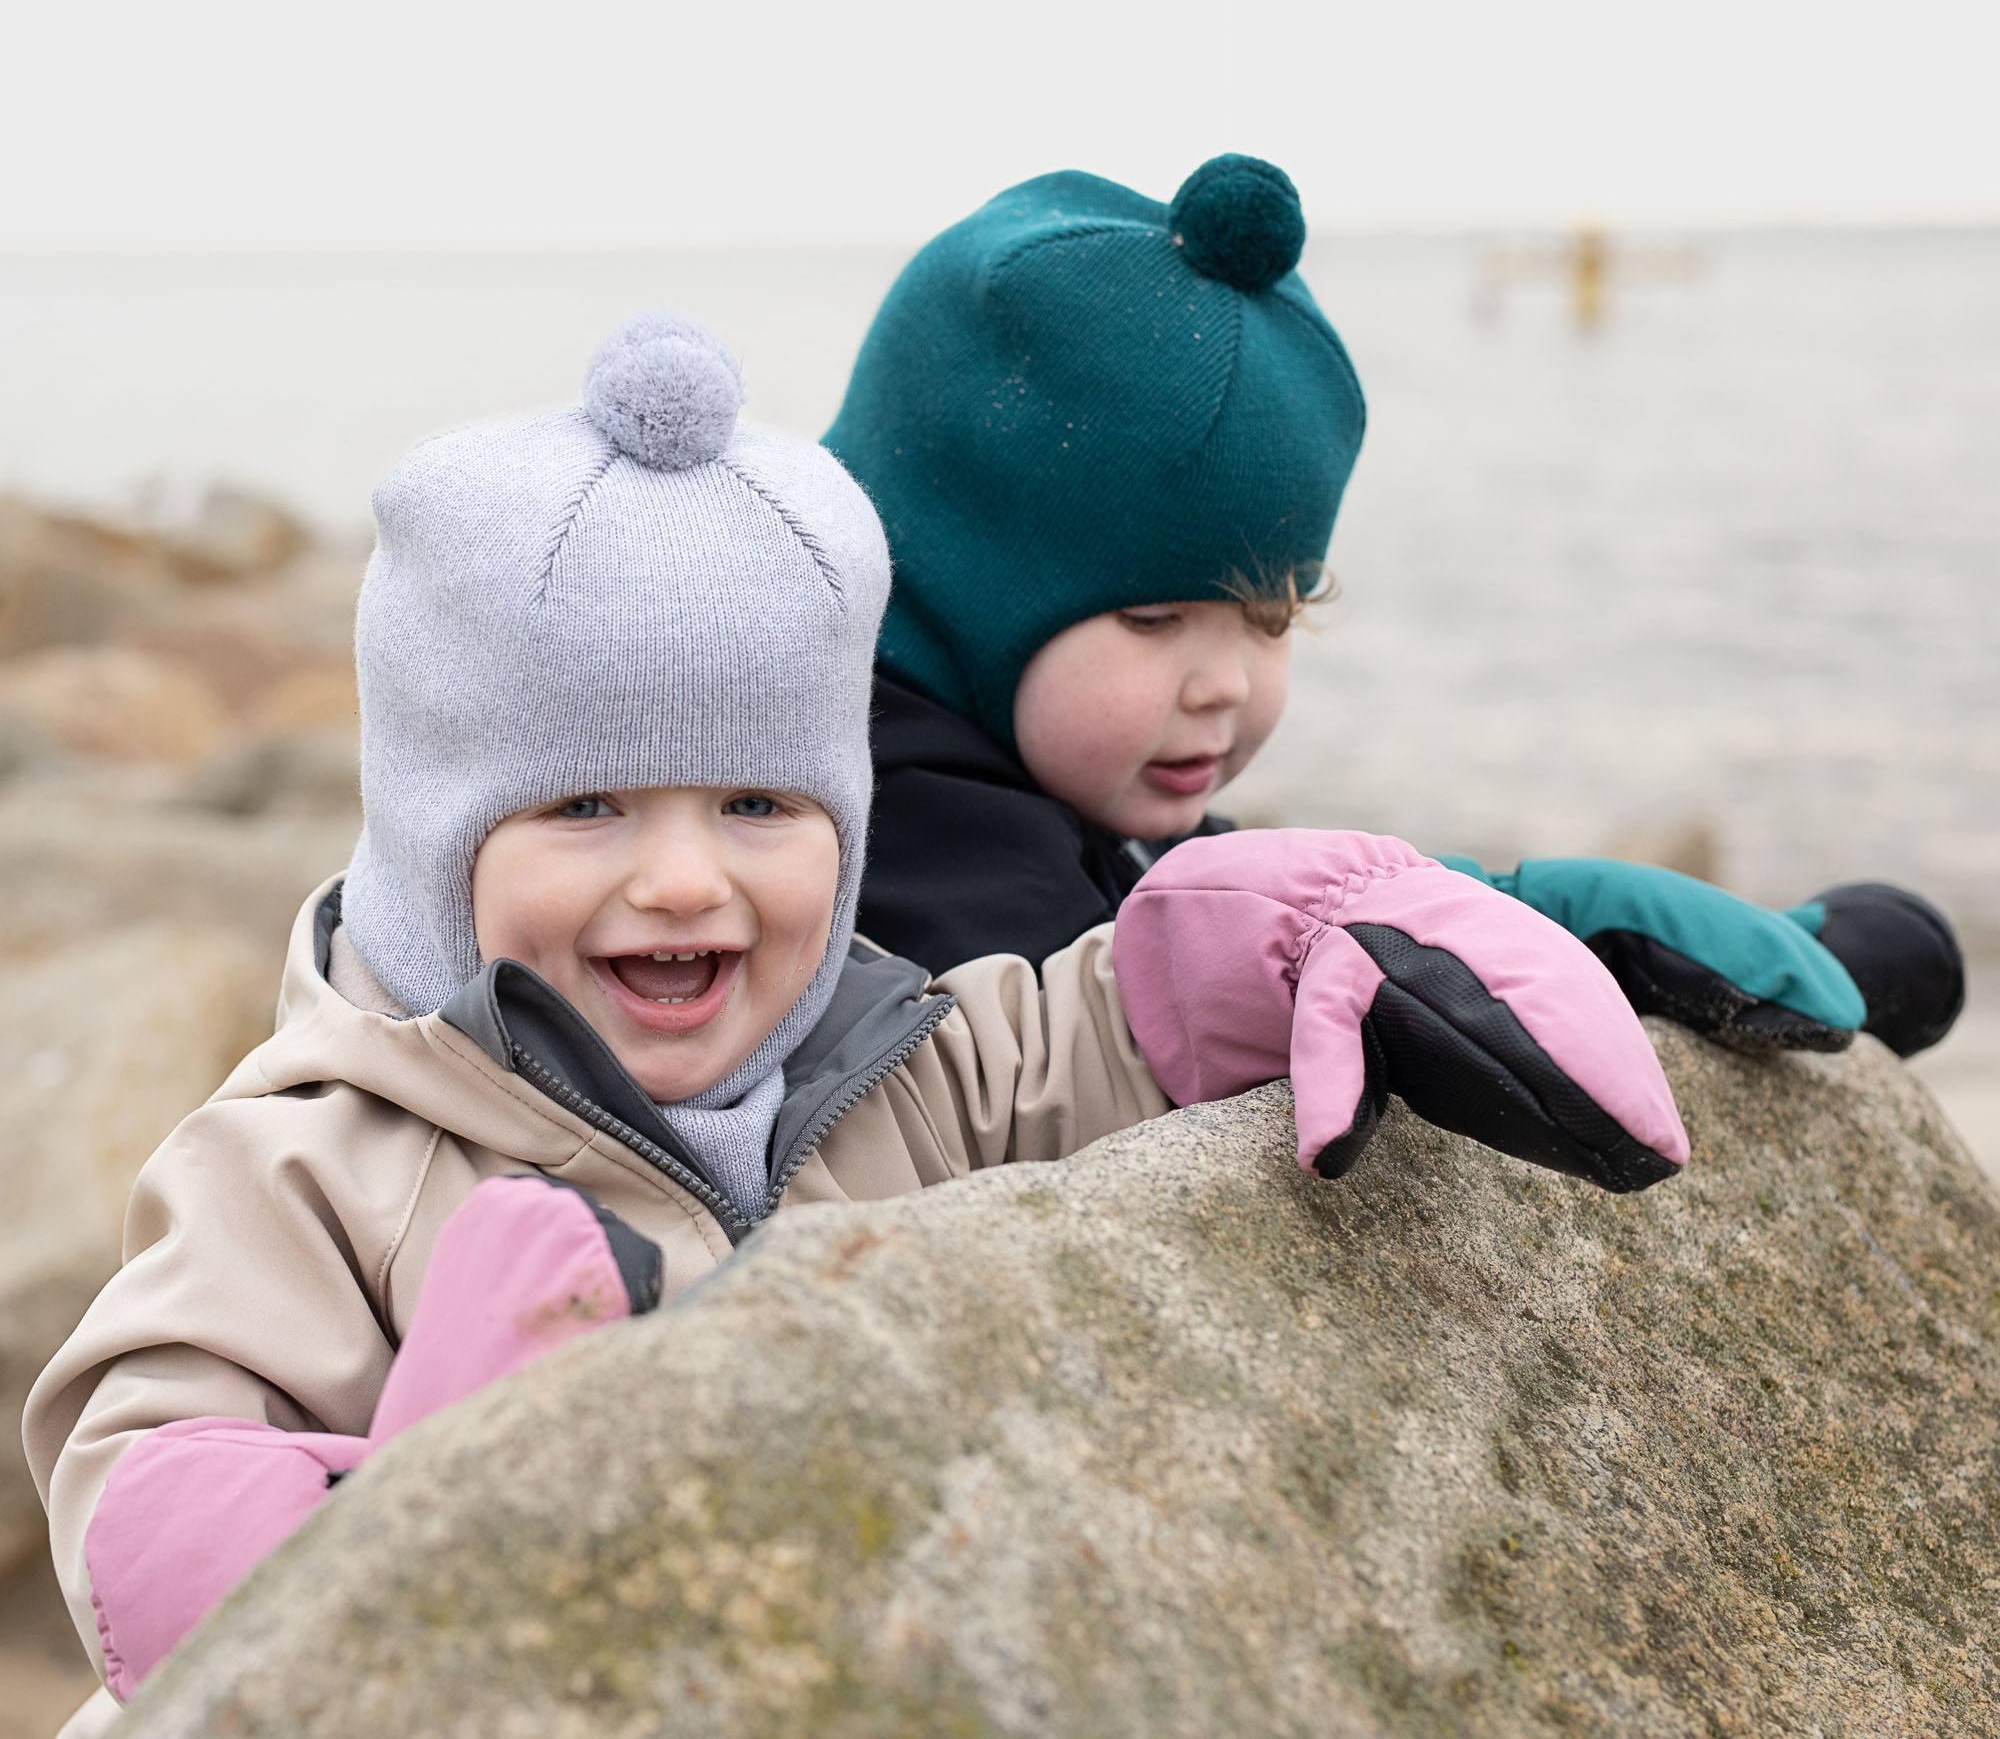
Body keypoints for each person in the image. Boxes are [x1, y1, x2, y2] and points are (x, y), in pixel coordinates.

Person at [27, 313, 1688, 1713]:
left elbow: (1121, 1016)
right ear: (434, 839)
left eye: (760, 803)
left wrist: (1320, 932)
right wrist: (432, 1487)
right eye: (588, 809)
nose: (686, 882)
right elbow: (141, 1496)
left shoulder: (902, 1059)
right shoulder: (318, 1154)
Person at [823, 155, 1965, 1059]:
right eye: (1153, 617)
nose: (1225, 680)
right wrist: (1558, 934)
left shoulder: (1031, 766)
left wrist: (1488, 899)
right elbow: (1158, 1014)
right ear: (951, 581)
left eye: (1272, 617)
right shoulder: (904, 821)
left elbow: (1225, 897)